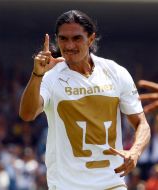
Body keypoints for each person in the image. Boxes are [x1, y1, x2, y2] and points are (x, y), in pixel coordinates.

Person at [19, 10, 151, 190]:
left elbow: (142, 124)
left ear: (90, 39)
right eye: (63, 39)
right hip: (67, 185)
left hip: (111, 183)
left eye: (77, 38)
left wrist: (134, 153)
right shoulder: (50, 77)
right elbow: (27, 114)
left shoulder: (115, 72)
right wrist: (37, 75)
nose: (69, 45)